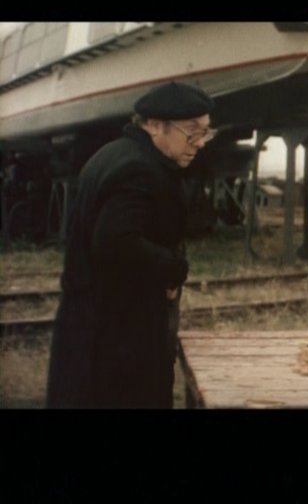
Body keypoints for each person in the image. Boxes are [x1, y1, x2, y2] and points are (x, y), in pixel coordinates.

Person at [47, 81, 216, 408]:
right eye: (191, 132)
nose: (199, 143)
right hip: (117, 342)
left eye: (205, 132)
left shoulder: (113, 154)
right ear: (153, 125)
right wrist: (173, 269)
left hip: (91, 330)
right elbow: (117, 242)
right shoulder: (140, 169)